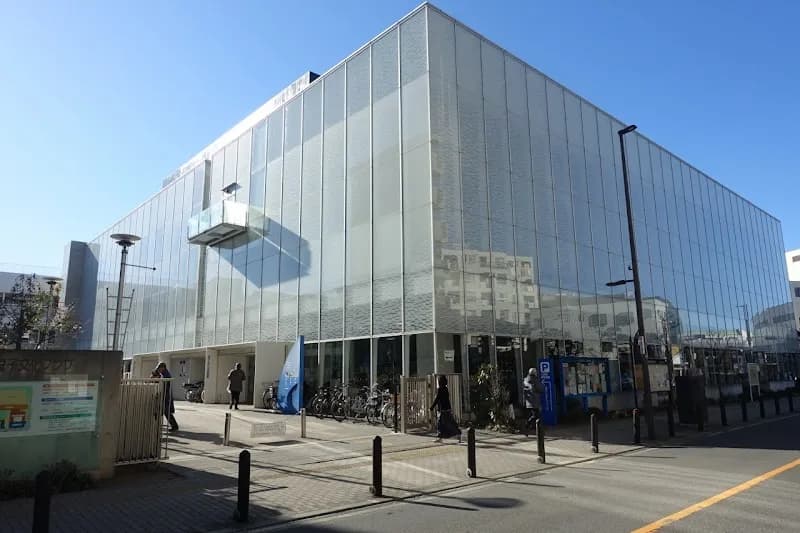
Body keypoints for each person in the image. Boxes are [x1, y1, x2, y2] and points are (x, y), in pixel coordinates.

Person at [430, 375, 462, 443]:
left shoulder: (440, 390)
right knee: (451, 422)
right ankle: (458, 434)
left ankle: (440, 437)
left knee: (440, 424)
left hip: (442, 410)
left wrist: (432, 407)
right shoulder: (446, 389)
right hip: (448, 408)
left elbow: (437, 399)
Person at [155, 362, 179, 431]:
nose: (158, 370)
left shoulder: (166, 374)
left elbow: (164, 384)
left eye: (159, 368)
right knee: (166, 411)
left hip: (166, 395)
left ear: (163, 368)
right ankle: (174, 426)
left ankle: (174, 426)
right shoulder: (164, 374)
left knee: (166, 411)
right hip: (166, 395)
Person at [523, 367, 543, 437]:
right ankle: (527, 426)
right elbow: (540, 389)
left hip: (529, 401)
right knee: (536, 416)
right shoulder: (534, 380)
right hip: (534, 401)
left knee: (534, 415)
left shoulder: (526, 380)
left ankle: (532, 427)